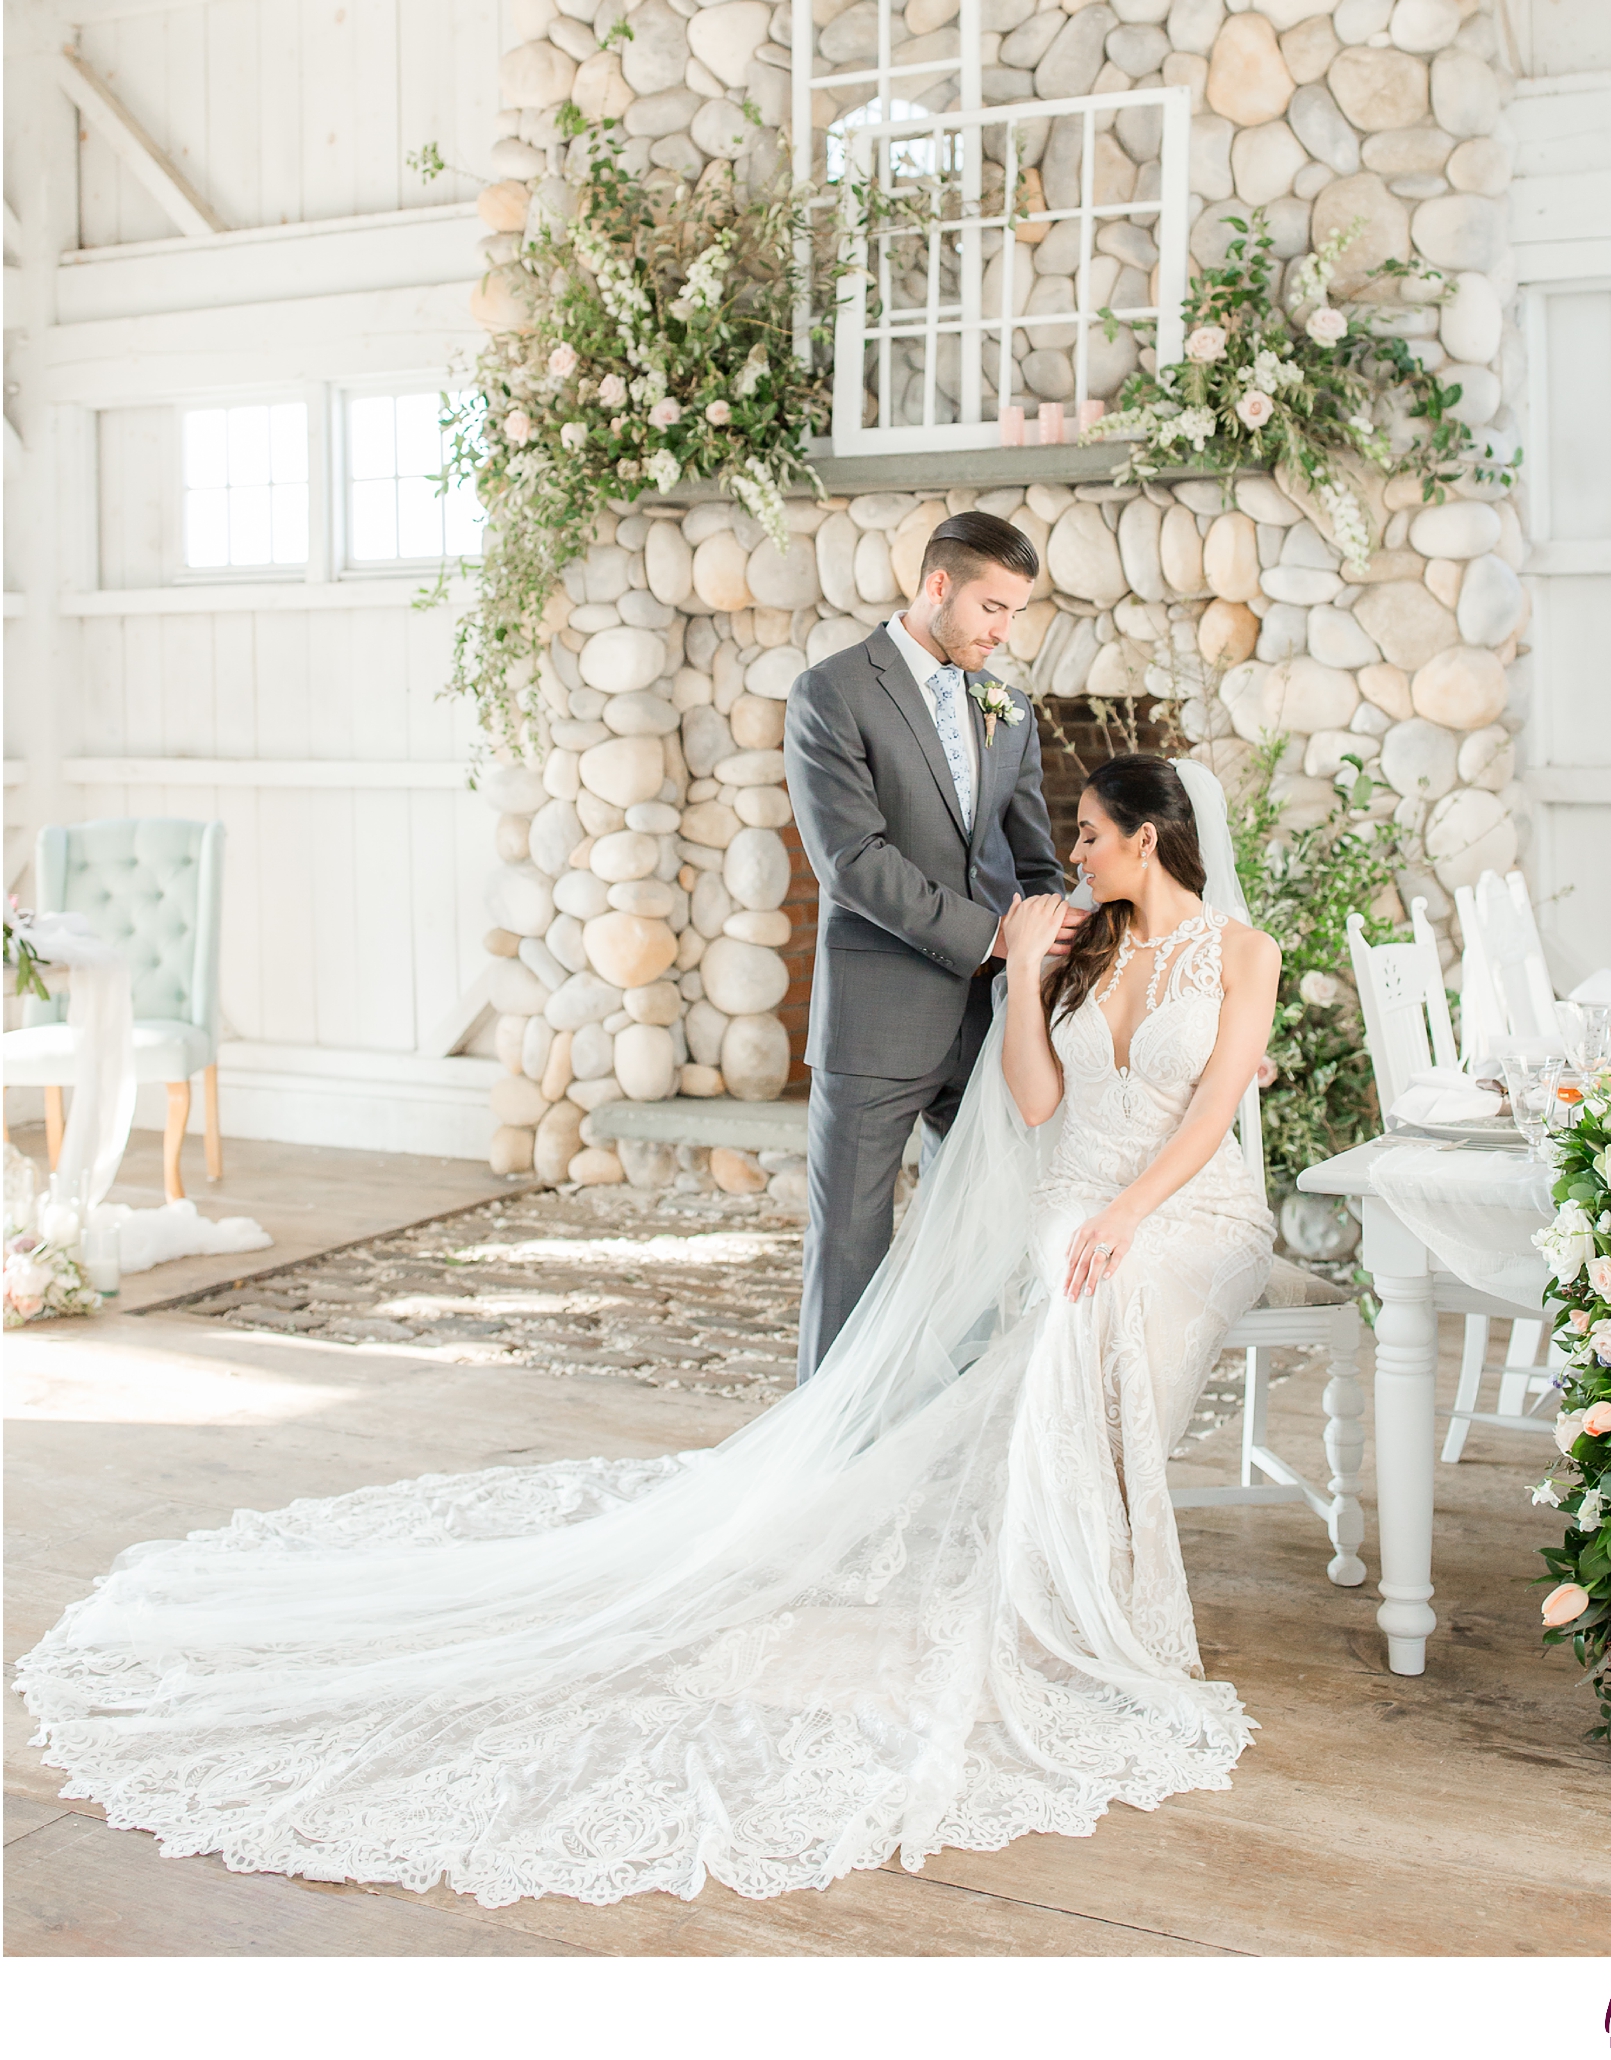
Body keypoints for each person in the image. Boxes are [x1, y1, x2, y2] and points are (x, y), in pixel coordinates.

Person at [17, 755, 1281, 1912]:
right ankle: (1081, 1596)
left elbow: (1217, 1101)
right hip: (1079, 1201)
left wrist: (1123, 1216)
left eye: (1092, 834)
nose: (1076, 852)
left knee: (1096, 1284)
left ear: (1152, 838)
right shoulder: (1081, 948)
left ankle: (1098, 1596)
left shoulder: (1242, 951)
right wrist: (1016, 978)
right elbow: (1038, 1099)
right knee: (1076, 1279)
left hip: (1191, 1204)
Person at [783, 509, 1073, 1379]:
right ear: (937, 585)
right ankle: (825, 1466)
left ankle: (942, 1439)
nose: (1003, 629)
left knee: (977, 1238)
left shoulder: (1007, 708)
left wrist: (1053, 946)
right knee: (849, 1249)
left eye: (1016, 612)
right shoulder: (832, 692)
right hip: (879, 1019)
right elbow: (853, 862)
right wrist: (994, 939)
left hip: (989, 1024)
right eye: (992, 606)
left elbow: (1034, 859)